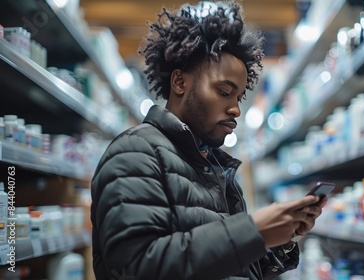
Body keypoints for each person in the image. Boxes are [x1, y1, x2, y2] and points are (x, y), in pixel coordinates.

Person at [90, 1, 327, 279]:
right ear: (180, 83)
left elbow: (232, 264)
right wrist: (253, 231)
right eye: (224, 91)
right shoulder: (134, 154)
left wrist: (283, 238)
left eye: (238, 97)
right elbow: (139, 267)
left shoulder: (213, 166)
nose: (236, 109)